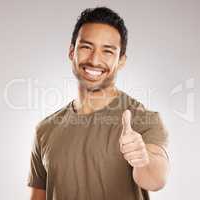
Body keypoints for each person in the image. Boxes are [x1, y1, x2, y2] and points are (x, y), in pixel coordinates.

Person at [27, 7, 169, 200]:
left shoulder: (142, 119)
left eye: (108, 51)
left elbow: (156, 180)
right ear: (72, 52)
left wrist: (143, 160)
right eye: (86, 47)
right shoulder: (45, 129)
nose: (94, 60)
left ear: (121, 61)